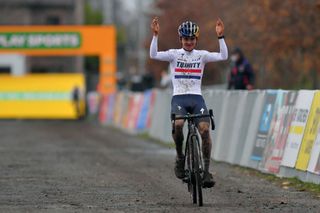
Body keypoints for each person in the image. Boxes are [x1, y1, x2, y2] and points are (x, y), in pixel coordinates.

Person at [150, 17, 228, 188]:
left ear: (196, 39)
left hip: (196, 98)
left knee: (205, 130)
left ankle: (206, 171)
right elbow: (153, 54)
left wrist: (220, 37)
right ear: (181, 39)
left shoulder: (202, 55)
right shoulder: (173, 54)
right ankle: (180, 157)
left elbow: (223, 55)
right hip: (179, 97)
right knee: (178, 125)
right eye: (186, 39)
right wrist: (155, 36)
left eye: (192, 39)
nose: (189, 42)